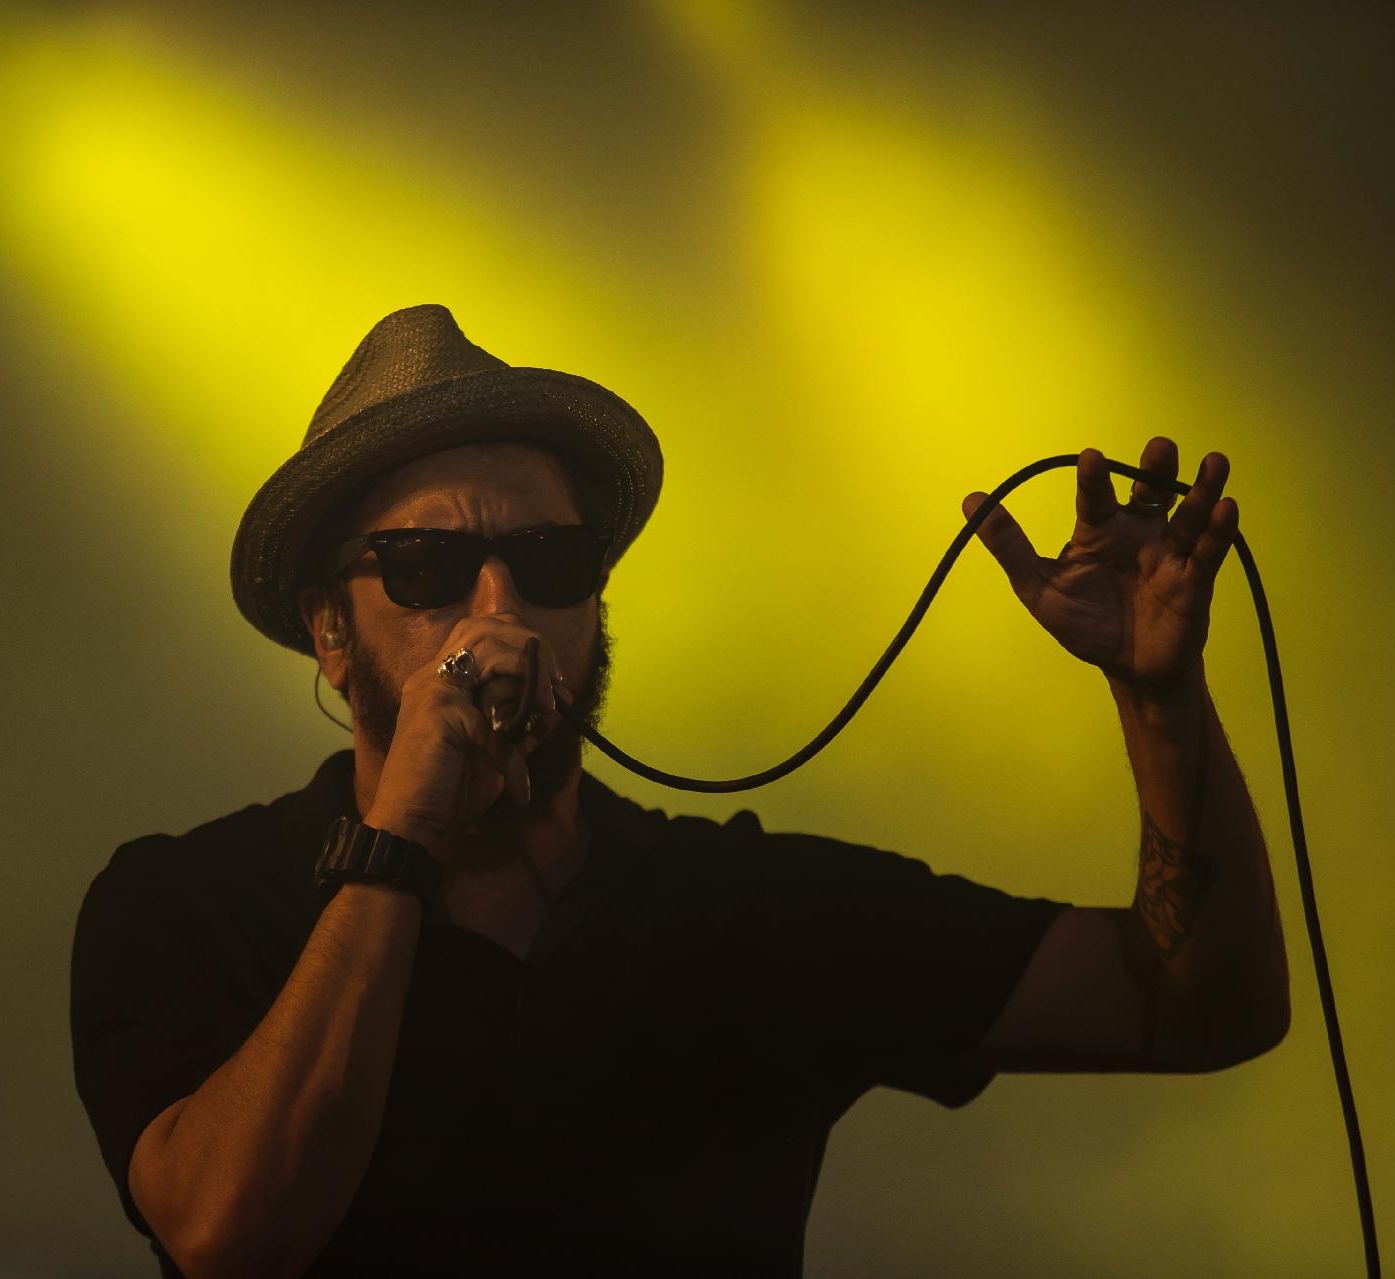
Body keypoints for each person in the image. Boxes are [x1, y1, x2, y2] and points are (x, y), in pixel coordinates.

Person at [70, 304, 1290, 1278]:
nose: (501, 615)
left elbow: (1203, 1007)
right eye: (429, 566)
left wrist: (1158, 700)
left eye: (549, 560)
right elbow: (230, 1235)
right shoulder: (191, 902)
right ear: (331, 630)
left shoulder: (752, 910)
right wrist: (406, 838)